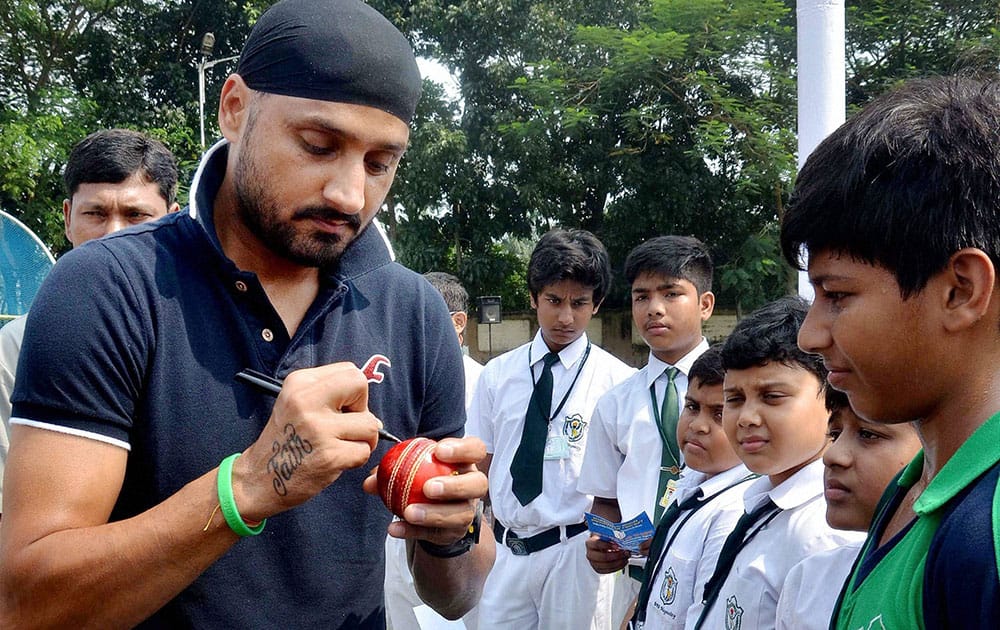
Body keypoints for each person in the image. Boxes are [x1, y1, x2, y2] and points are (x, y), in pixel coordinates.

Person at [0, 1, 493, 627]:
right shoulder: (106, 288)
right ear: (234, 108)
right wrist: (249, 486)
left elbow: (458, 595)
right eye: (318, 145)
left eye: (379, 164)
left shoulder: (413, 309)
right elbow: (29, 606)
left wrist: (450, 531)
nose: (349, 193)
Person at [782, 74, 1000, 629]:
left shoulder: (988, 534)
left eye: (836, 294)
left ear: (961, 290)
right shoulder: (914, 485)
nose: (809, 334)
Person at [0, 127, 181, 513]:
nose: (113, 235)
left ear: (172, 223)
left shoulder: (203, 335)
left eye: (136, 215)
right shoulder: (16, 347)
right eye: (96, 214)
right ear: (68, 219)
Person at [466, 228, 636, 630]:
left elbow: (625, 481)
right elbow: (481, 467)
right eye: (553, 301)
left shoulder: (618, 383)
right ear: (532, 298)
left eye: (579, 303)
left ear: (596, 304)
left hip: (574, 553)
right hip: (507, 551)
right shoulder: (497, 376)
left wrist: (616, 544)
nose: (565, 317)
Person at [692, 296, 863, 629]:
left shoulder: (824, 532)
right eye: (734, 399)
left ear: (832, 399)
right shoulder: (759, 500)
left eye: (772, 397)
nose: (746, 418)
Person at [577, 235, 715, 624]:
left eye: (671, 294)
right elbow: (605, 498)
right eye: (642, 297)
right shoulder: (615, 402)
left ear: (705, 305)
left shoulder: (736, 393)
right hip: (637, 579)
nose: (654, 309)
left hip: (714, 572)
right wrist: (603, 542)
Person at [628, 346, 756, 630]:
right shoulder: (692, 481)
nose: (697, 425)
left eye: (719, 415)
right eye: (692, 407)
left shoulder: (734, 513)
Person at [385, 270, 484, 630]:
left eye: (424, 318)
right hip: (397, 524)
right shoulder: (394, 373)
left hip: (456, 529)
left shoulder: (480, 379)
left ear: (458, 323)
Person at [775, 389, 920, 630]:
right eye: (834, 434)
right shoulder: (810, 580)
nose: (832, 455)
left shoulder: (947, 575)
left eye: (868, 434)